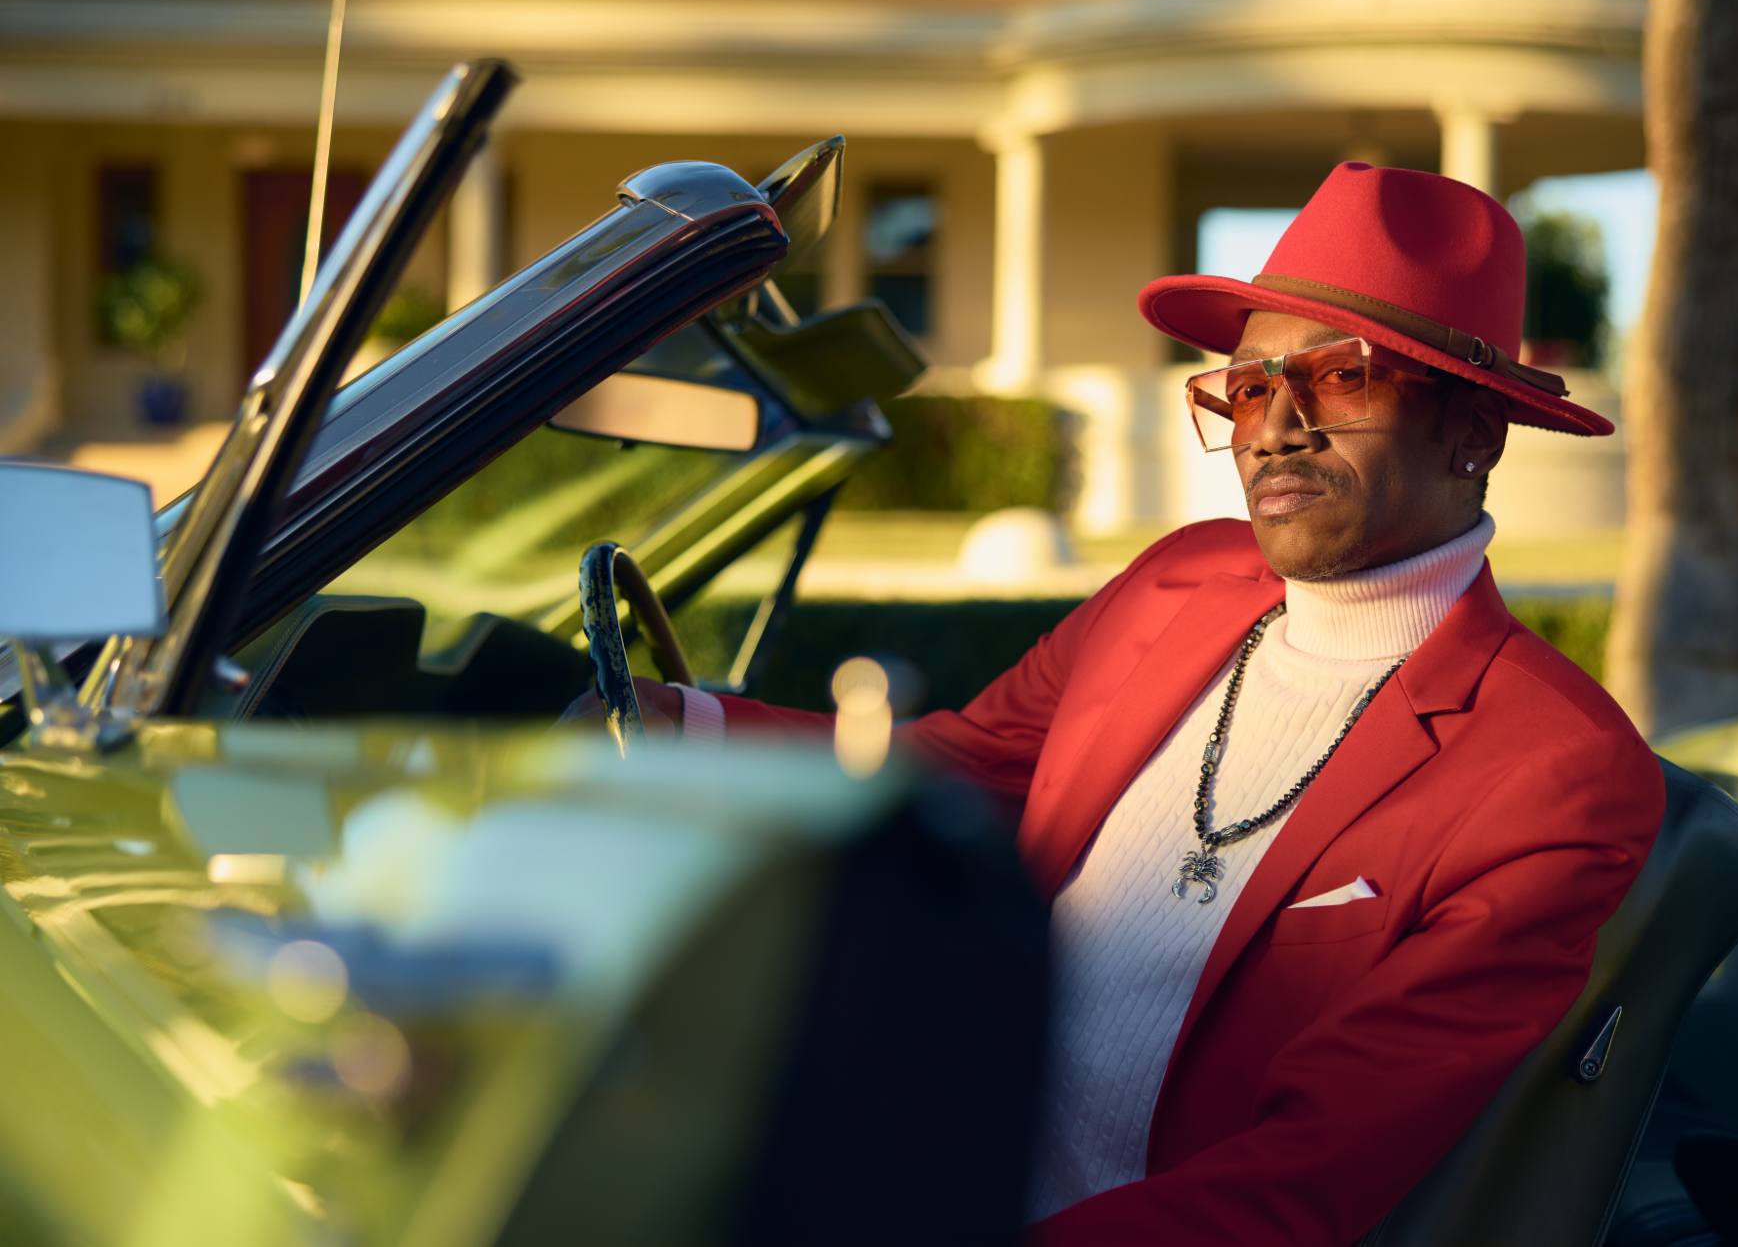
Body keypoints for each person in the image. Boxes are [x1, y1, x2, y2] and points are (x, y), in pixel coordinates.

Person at [571, 162, 1663, 1244]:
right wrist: (672, 726)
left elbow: (1297, 1182)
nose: (1270, 427)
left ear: (1473, 430)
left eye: (1337, 377)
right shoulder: (1178, 580)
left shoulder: (1552, 774)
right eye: (1241, 388)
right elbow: (968, 762)